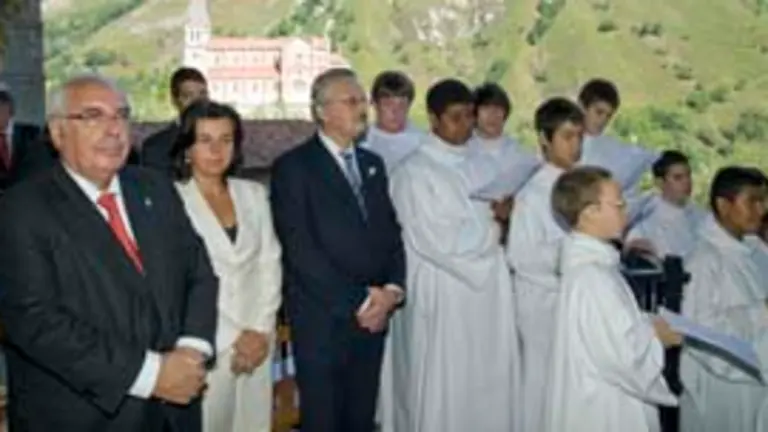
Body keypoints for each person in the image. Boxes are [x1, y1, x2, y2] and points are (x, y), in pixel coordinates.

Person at [0, 73, 218, 431]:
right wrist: (152, 374)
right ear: (57, 133)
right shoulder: (22, 209)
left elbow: (198, 272)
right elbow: (34, 320)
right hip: (87, 415)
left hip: (176, 410)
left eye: (121, 115)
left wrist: (192, 352)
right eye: (92, 116)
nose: (113, 128)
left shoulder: (155, 187)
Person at [269, 68, 406, 432]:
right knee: (324, 421)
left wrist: (392, 292)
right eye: (351, 101)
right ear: (322, 111)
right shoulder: (294, 168)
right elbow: (301, 252)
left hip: (373, 319)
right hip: (323, 320)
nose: (362, 108)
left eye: (362, 101)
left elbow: (391, 235)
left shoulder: (373, 165)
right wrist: (360, 301)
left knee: (360, 419)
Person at [381, 78, 520, 432]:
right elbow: (437, 241)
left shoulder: (482, 165)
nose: (465, 125)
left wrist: (506, 214)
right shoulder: (414, 172)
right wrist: (496, 225)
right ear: (433, 118)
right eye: (455, 117)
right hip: (442, 292)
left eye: (470, 116)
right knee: (444, 390)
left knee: (484, 388)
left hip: (486, 292)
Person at [172, 101, 282, 432]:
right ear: (187, 148)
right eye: (205, 140)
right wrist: (235, 336)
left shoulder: (253, 193)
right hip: (206, 342)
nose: (217, 150)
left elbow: (270, 262)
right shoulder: (170, 200)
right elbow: (179, 282)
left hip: (258, 342)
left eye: (226, 139)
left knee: (253, 425)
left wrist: (260, 331)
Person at [546, 166, 680, 432]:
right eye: (618, 204)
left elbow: (613, 332)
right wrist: (657, 338)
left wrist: (648, 323)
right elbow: (622, 356)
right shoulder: (592, 278)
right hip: (604, 408)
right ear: (589, 212)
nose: (625, 211)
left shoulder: (598, 268)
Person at [505, 96, 584, 432]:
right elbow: (521, 255)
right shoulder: (533, 193)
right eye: (567, 136)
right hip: (541, 304)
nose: (576, 145)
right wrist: (571, 255)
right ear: (544, 140)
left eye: (580, 136)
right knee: (541, 387)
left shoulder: (581, 188)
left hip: (573, 300)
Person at [680, 166, 768, 432]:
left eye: (763, 201)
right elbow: (701, 331)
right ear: (723, 205)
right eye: (752, 201)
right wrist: (761, 311)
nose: (761, 210)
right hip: (722, 389)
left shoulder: (756, 252)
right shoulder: (703, 260)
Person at [577, 78, 658, 224]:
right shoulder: (563, 143)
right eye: (599, 112)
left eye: (608, 116)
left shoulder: (612, 149)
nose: (602, 121)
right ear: (582, 107)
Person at [468, 82, 538, 244]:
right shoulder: (462, 152)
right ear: (475, 113)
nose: (493, 116)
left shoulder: (522, 155)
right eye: (486, 109)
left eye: (498, 110)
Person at [627, 150, 706, 259]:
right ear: (660, 182)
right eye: (678, 178)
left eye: (688, 175)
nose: (687, 182)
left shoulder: (701, 216)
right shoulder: (646, 225)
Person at [142, 67, 209, 176]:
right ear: (175, 101)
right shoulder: (156, 147)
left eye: (203, 94)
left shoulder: (225, 139)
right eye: (188, 96)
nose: (198, 102)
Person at [361, 70, 424, 174]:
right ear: (375, 104)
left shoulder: (423, 143)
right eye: (388, 104)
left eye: (401, 105)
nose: (395, 112)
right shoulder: (363, 143)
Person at [0, 89, 53, 190]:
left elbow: (41, 164)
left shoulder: (30, 133)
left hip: (28, 193)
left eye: (2, 110)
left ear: (11, 112)